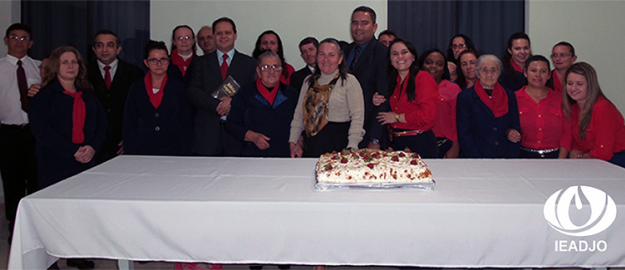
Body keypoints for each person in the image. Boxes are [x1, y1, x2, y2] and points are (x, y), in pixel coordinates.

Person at [28, 46, 106, 270]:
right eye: (65, 62)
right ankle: (49, 259)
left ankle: (76, 253)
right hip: (54, 161)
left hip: (84, 161)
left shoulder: (88, 94)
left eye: (75, 62)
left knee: (78, 211)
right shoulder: (44, 95)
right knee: (53, 213)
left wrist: (92, 147)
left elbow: (101, 124)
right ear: (56, 66)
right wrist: (72, 150)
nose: (71, 66)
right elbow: (41, 130)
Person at [187, 17, 256, 156]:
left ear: (235, 35)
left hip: (238, 136)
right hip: (207, 135)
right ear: (213, 36)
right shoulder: (200, 63)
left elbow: (253, 94)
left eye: (227, 33)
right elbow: (192, 92)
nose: (223, 36)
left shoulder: (249, 64)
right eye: (219, 33)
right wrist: (217, 105)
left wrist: (233, 102)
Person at [289, 38, 365, 157]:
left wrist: (352, 146)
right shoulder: (308, 81)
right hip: (311, 144)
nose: (326, 59)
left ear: (340, 59)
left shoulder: (349, 82)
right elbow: (299, 114)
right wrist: (293, 141)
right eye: (322, 54)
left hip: (339, 144)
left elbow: (358, 118)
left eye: (331, 55)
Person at [0, 23, 39, 244]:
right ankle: (14, 229)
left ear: (31, 43)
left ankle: (34, 228)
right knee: (13, 183)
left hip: (34, 133)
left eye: (24, 38)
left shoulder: (39, 67)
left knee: (35, 182)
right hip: (8, 133)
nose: (19, 41)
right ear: (6, 40)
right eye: (14, 37)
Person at [123, 41, 193, 156]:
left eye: (163, 59)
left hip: (173, 148)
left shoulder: (178, 86)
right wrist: (130, 152)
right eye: (154, 60)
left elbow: (185, 122)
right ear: (146, 63)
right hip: (143, 148)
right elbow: (129, 122)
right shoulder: (137, 87)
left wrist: (186, 151)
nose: (159, 64)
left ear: (168, 61)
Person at [86, 30, 144, 164]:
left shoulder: (135, 73)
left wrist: (130, 139)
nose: (104, 49)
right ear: (94, 49)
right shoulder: (83, 73)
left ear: (118, 49)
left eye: (110, 45)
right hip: (92, 144)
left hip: (122, 142)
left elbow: (140, 110)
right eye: (100, 45)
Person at [227, 51, 299, 157]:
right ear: (258, 71)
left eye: (275, 67)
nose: (271, 71)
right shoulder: (246, 92)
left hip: (284, 155)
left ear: (281, 71)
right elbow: (231, 124)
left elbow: (299, 124)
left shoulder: (291, 93)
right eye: (266, 67)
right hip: (252, 154)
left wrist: (299, 143)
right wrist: (251, 136)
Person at [376, 39, 439, 157]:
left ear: (413, 57)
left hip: (420, 142)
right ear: (390, 60)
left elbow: (427, 115)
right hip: (397, 142)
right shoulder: (391, 82)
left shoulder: (423, 78)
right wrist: (376, 100)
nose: (400, 57)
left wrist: (397, 117)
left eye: (404, 52)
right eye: (394, 53)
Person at [561, 62, 625, 167]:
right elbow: (576, 146)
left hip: (616, 162)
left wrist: (580, 157)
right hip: (591, 161)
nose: (573, 88)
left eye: (579, 84)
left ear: (590, 85)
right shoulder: (573, 110)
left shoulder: (603, 108)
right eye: (570, 83)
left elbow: (604, 153)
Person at [456, 54, 521, 158]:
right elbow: (464, 134)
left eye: (493, 70)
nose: (489, 74)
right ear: (478, 73)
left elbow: (515, 128)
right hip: (476, 158)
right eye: (484, 70)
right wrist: (478, 160)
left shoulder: (509, 95)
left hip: (505, 157)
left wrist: (510, 158)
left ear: (499, 73)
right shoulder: (466, 97)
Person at [344, 6, 389, 149]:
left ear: (374, 27)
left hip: (368, 132)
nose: (358, 27)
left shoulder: (383, 54)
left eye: (364, 23)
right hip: (344, 131)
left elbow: (383, 99)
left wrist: (375, 138)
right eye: (355, 23)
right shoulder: (345, 51)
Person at [509, 55, 566, 158]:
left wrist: (561, 160)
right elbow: (504, 126)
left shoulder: (561, 100)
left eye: (543, 71)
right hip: (523, 156)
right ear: (525, 73)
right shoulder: (513, 99)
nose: (538, 75)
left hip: (555, 157)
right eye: (533, 70)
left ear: (549, 75)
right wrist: (508, 132)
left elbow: (567, 133)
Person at [419, 49, 462, 158]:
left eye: (439, 64)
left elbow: (458, 121)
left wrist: (455, 146)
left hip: (445, 144)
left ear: (443, 70)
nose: (433, 66)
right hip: (417, 143)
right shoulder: (412, 87)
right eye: (428, 62)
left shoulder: (453, 89)